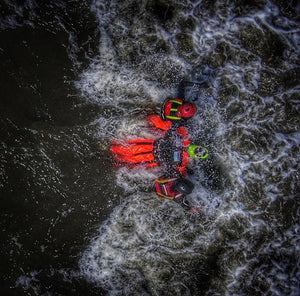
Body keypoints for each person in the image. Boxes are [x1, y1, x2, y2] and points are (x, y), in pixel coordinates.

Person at [110, 98, 208, 176]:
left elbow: (174, 173)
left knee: (122, 160)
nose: (197, 150)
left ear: (196, 157)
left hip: (149, 158)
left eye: (198, 152)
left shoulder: (182, 163)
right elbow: (155, 122)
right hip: (148, 143)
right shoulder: (182, 133)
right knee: (118, 147)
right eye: (200, 149)